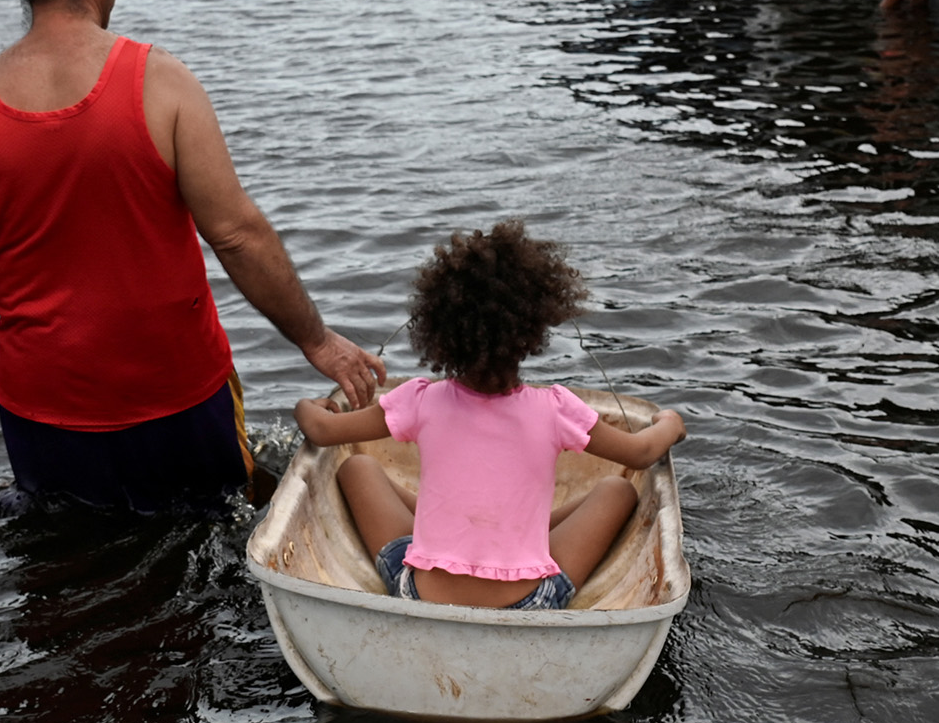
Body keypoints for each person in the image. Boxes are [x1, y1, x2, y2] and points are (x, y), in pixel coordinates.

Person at [0, 0, 385, 514]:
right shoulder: (159, 81)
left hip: (42, 406)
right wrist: (317, 340)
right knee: (207, 542)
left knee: (64, 574)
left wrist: (37, 228)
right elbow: (237, 234)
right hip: (173, 396)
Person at [292, 222, 687, 609]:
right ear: (534, 329)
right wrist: (669, 423)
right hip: (531, 602)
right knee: (617, 490)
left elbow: (322, 430)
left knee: (357, 467)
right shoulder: (555, 408)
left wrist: (308, 407)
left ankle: (474, 525)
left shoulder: (420, 400)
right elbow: (640, 453)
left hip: (422, 596)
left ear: (439, 327)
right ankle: (515, 531)